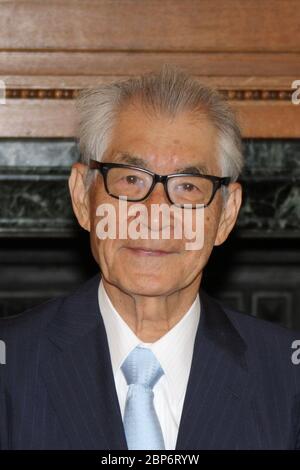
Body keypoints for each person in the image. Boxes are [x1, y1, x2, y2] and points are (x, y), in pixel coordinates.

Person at [1, 66, 300, 450]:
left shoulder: (287, 378)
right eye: (130, 179)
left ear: (226, 215)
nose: (155, 215)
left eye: (188, 186)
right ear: (82, 197)